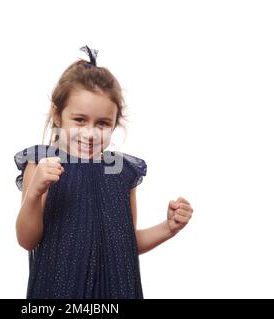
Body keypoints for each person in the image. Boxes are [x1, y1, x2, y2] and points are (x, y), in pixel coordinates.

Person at [14, 45, 194, 298]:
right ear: (58, 115)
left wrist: (169, 227)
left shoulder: (121, 173)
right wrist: (34, 192)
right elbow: (27, 240)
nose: (90, 133)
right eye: (79, 120)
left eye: (102, 123)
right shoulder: (42, 164)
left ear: (115, 123)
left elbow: (125, 244)